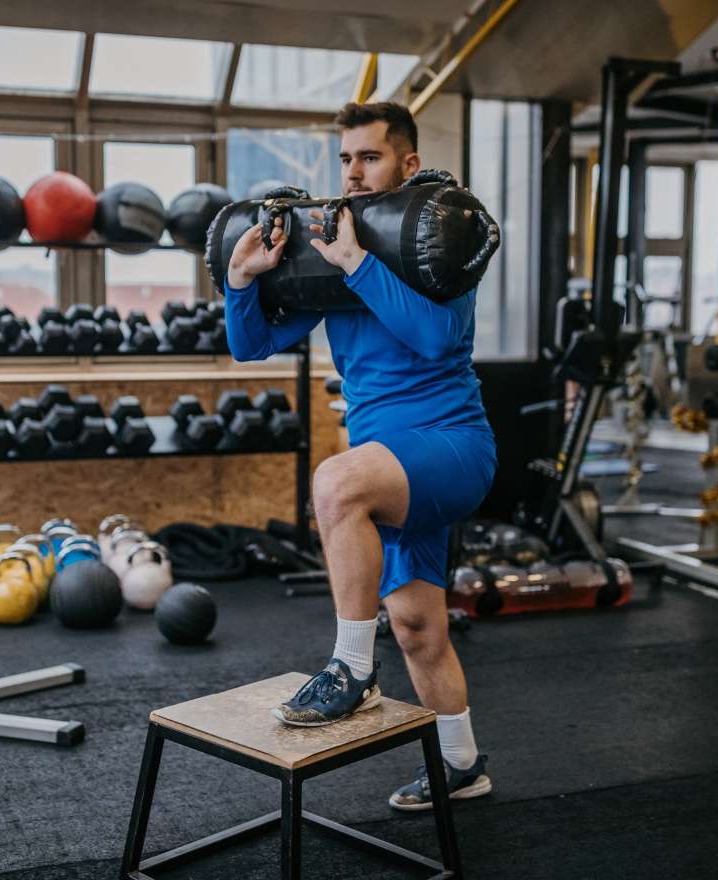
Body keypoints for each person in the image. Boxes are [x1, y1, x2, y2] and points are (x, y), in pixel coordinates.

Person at [222, 101, 497, 811]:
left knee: (336, 482)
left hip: (449, 447)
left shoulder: (433, 241)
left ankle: (351, 668)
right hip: (389, 466)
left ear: (408, 163)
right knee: (417, 627)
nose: (353, 172)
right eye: (346, 158)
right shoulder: (335, 251)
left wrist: (357, 262)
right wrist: (242, 281)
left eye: (370, 157)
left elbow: (435, 338)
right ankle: (462, 764)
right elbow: (251, 346)